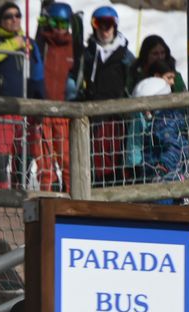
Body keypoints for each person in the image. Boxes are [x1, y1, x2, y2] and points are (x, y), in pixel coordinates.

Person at [0, 3, 45, 190]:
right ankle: (1, 191)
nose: (14, 19)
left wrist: (40, 102)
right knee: (0, 151)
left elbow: (38, 75)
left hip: (25, 107)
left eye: (17, 15)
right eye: (8, 16)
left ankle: (20, 189)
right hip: (1, 108)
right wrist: (15, 44)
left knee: (25, 151)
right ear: (1, 21)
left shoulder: (29, 43)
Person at [76, 6, 135, 186]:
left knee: (115, 158)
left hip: (117, 119)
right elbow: (78, 81)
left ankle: (116, 193)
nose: (104, 29)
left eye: (109, 24)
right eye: (99, 24)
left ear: (115, 25)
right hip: (92, 117)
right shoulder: (88, 54)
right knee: (93, 158)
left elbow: (133, 84)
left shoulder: (125, 55)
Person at [34, 3, 80, 192]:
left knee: (68, 160)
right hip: (42, 110)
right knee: (44, 162)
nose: (59, 28)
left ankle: (73, 198)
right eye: (55, 22)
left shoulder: (74, 47)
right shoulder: (41, 44)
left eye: (63, 23)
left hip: (64, 112)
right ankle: (48, 198)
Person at [130, 62, 188, 188]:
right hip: (154, 174)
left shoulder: (164, 122)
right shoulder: (154, 121)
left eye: (145, 107)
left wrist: (163, 167)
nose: (143, 111)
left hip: (167, 178)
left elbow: (174, 145)